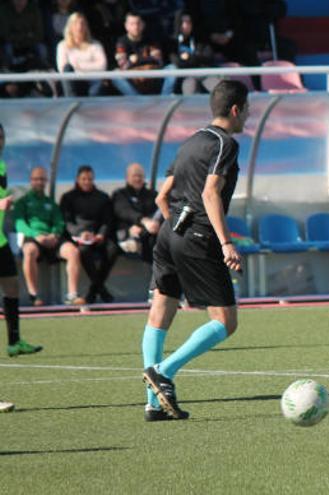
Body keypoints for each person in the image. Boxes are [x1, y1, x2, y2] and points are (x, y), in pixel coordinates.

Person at [141, 80, 249, 422]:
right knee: (224, 321)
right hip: (200, 236)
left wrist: (178, 227)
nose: (248, 115)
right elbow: (209, 194)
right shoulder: (225, 144)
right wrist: (225, 242)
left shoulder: (190, 141)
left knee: (160, 313)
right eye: (246, 109)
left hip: (169, 234)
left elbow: (162, 196)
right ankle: (165, 372)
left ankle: (153, 403)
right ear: (235, 109)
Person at [0, 124, 43, 357]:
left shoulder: (2, 165)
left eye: (2, 136)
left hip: (0, 240)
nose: (0, 141)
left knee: (12, 286)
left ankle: (14, 342)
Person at [14, 166, 85, 306]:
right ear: (31, 181)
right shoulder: (22, 202)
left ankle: (72, 294)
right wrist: (36, 235)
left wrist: (55, 234)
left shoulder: (50, 203)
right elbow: (20, 223)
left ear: (46, 181)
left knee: (73, 251)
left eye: (42, 179)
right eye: (36, 179)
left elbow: (59, 221)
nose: (39, 182)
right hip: (33, 238)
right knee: (28, 251)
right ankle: (34, 295)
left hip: (52, 238)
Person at [60, 165, 116, 304]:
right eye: (83, 179)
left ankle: (94, 290)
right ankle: (101, 290)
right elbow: (67, 222)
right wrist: (80, 233)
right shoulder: (68, 198)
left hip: (97, 236)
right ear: (78, 180)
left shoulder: (102, 197)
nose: (87, 182)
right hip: (78, 238)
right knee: (83, 251)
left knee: (112, 249)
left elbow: (107, 220)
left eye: (89, 179)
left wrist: (101, 235)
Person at [113, 12, 174, 95]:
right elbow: (123, 64)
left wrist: (136, 59)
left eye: (138, 23)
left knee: (172, 68)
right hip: (134, 79)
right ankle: (137, 100)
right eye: (132, 24)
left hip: (152, 75)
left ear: (143, 25)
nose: (136, 27)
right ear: (126, 26)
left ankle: (164, 99)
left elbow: (158, 60)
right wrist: (146, 58)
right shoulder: (121, 42)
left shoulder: (151, 39)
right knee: (115, 75)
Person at [111, 163, 161, 264]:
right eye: (134, 175)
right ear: (127, 177)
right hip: (126, 233)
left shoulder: (152, 194)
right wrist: (141, 222)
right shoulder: (119, 194)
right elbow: (124, 211)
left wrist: (151, 225)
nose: (138, 178)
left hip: (148, 234)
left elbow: (157, 213)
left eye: (140, 175)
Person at [56, 13, 107, 97]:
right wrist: (89, 66)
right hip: (74, 82)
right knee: (67, 68)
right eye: (76, 23)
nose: (79, 27)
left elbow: (102, 66)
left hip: (92, 80)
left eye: (82, 23)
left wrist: (78, 65)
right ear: (70, 27)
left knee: (99, 82)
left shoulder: (95, 44)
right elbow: (62, 68)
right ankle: (71, 100)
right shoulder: (62, 45)